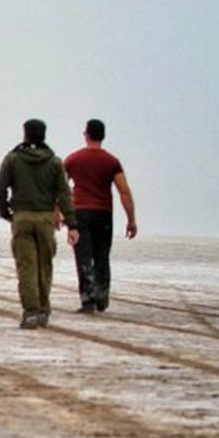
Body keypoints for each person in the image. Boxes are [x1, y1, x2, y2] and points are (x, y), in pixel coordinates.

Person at [0, 119, 79, 329]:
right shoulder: (54, 162)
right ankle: (43, 308)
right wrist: (72, 223)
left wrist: (6, 212)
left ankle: (31, 311)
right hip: (46, 219)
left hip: (22, 218)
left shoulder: (12, 159)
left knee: (27, 266)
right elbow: (64, 194)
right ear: (44, 135)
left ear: (25, 134)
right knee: (45, 266)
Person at [63, 118, 137, 313]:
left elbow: (60, 188)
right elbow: (124, 191)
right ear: (103, 136)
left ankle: (88, 301)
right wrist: (131, 219)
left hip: (80, 212)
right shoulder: (111, 161)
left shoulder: (73, 159)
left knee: (83, 256)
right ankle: (101, 297)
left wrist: (59, 212)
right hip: (103, 213)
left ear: (86, 134)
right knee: (102, 255)